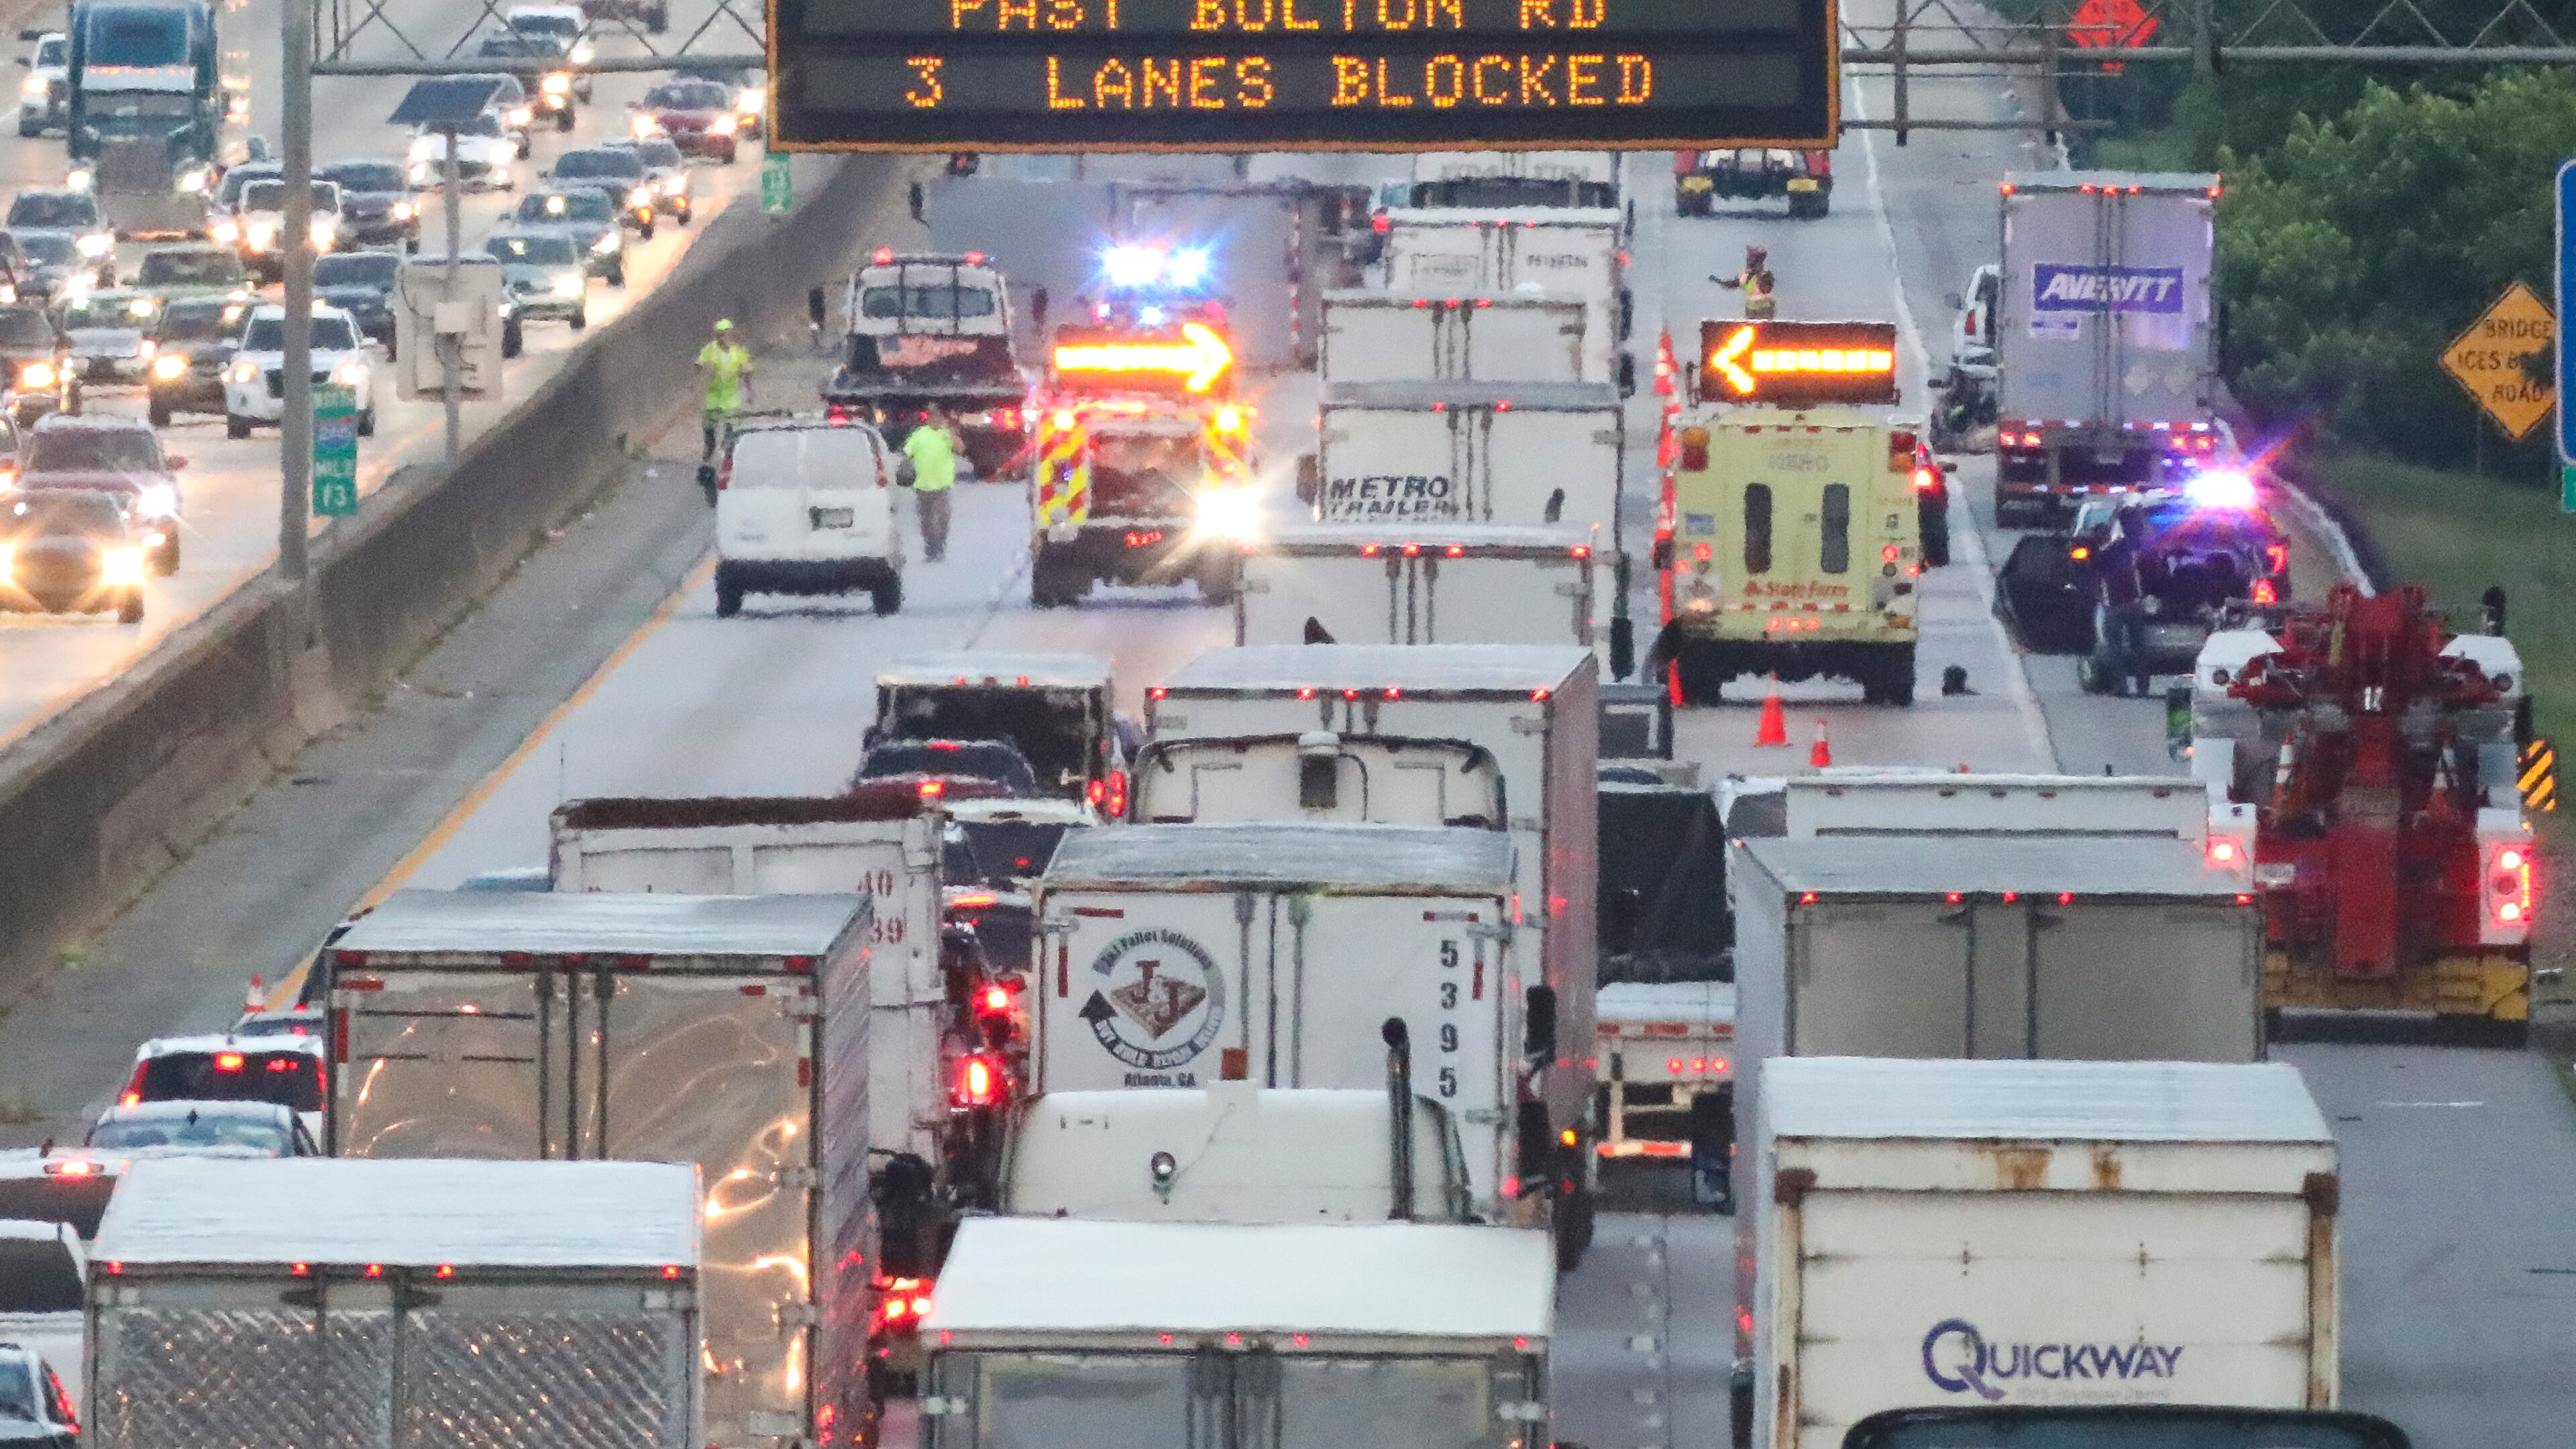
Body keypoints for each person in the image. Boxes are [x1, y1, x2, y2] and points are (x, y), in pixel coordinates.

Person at [904, 403, 961, 561]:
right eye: (932, 416)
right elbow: (907, 453)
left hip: (942, 486)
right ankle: (931, 549)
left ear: (941, 418)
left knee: (942, 519)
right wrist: (905, 468)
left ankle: (940, 546)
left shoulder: (946, 434)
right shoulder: (919, 435)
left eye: (938, 416)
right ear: (928, 418)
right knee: (926, 522)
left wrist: (950, 433)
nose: (935, 419)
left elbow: (960, 449)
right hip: (923, 486)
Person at [696, 318, 752, 461]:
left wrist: (749, 390)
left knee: (731, 423)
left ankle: (727, 449)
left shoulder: (738, 351)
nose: (721, 338)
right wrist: (701, 369)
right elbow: (700, 363)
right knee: (709, 423)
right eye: (719, 335)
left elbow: (747, 370)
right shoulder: (711, 349)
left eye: (724, 334)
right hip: (714, 394)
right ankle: (710, 446)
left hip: (730, 395)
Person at [1714, 245, 1776, 319]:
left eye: (1753, 261)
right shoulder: (1745, 276)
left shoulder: (1765, 275)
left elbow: (1766, 288)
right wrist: (1720, 282)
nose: (1750, 263)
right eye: (1749, 260)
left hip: (1765, 310)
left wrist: (1758, 276)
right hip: (1751, 311)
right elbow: (1733, 284)